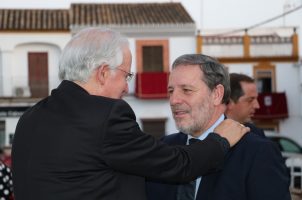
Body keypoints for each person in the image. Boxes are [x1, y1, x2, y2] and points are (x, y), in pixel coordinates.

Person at [11, 28, 248, 200]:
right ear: (103, 73)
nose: (126, 87)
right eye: (126, 75)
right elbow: (179, 165)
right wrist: (221, 139)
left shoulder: (29, 118)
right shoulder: (106, 116)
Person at [146, 54, 291, 200]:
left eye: (186, 90)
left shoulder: (258, 153)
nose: (173, 100)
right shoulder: (165, 148)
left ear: (216, 94)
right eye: (171, 91)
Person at [225, 73, 265, 137]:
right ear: (229, 102)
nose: (257, 106)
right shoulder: (207, 134)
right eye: (250, 100)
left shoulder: (257, 134)